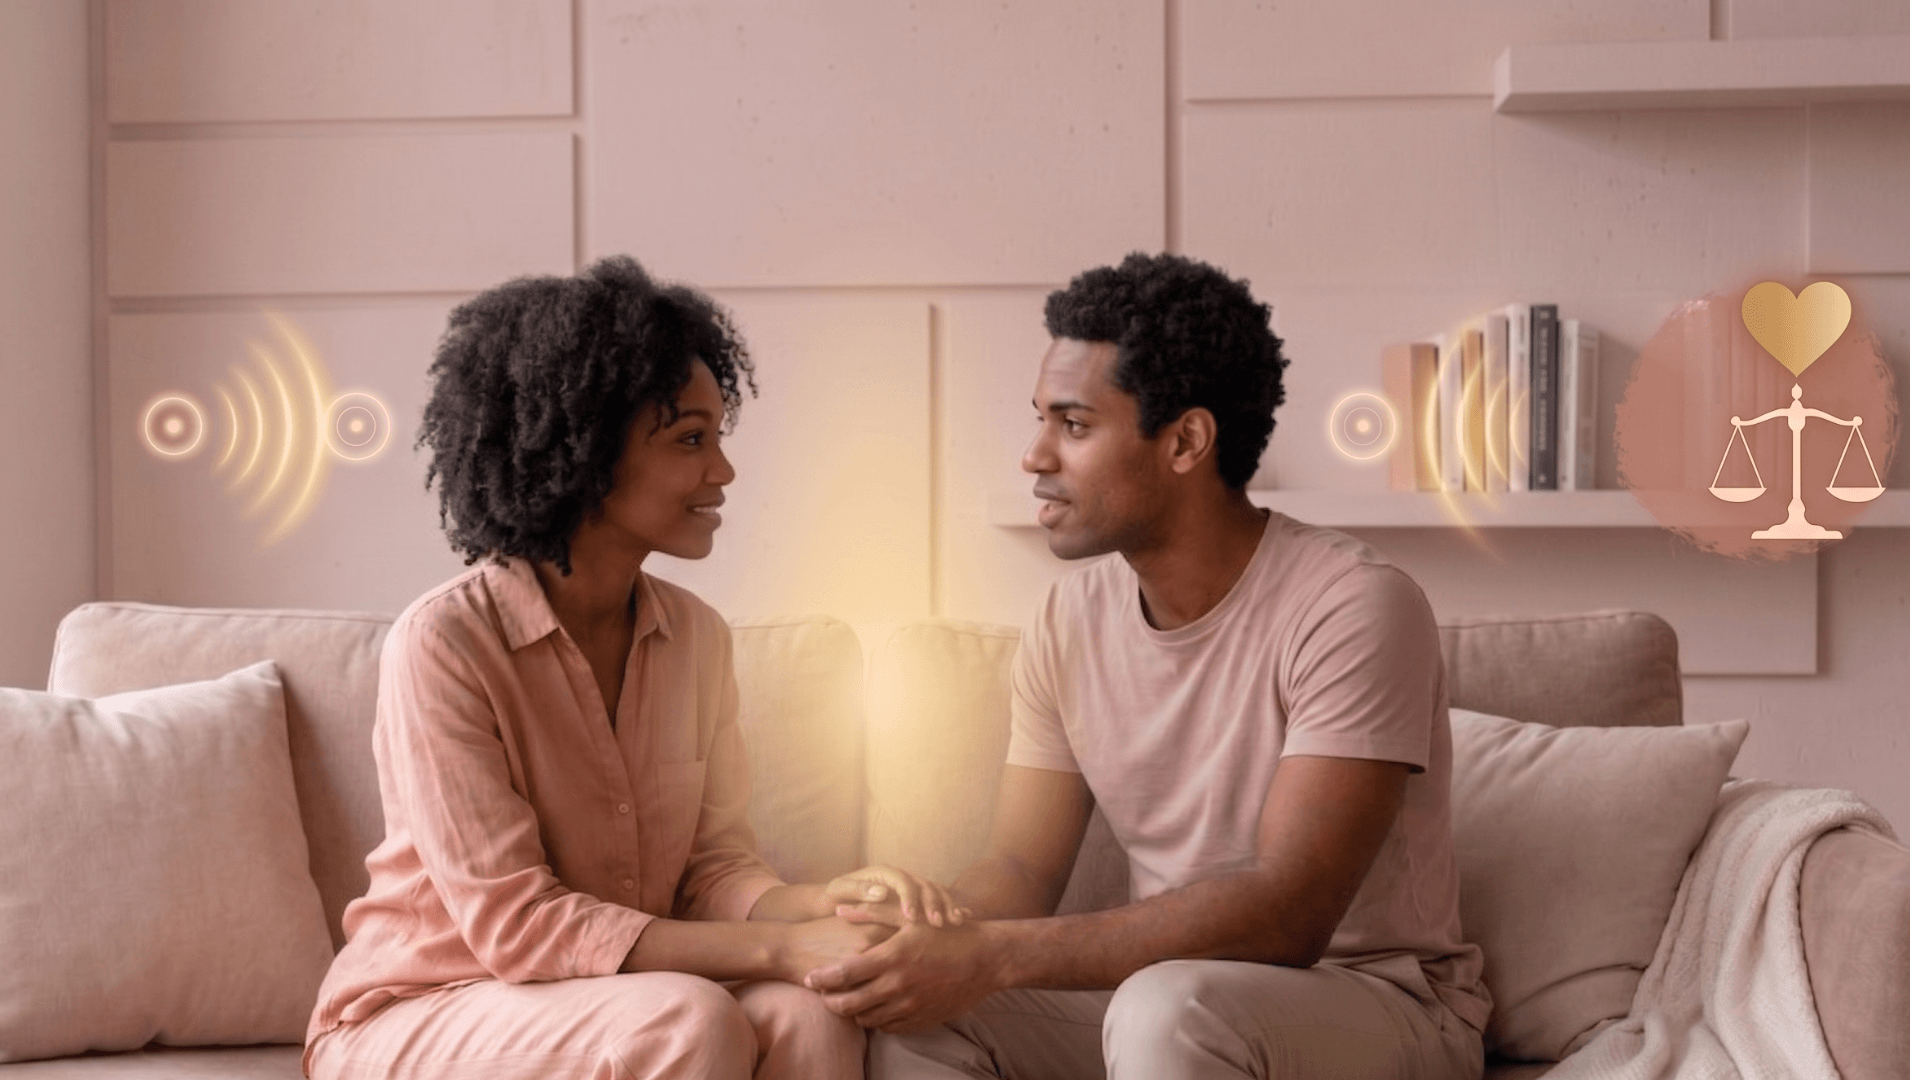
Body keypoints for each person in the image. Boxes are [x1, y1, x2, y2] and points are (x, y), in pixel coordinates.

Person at [806, 252, 1493, 1079]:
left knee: (1167, 1009)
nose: (1033, 457)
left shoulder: (1354, 605)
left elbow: (1289, 912)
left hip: (1377, 1005)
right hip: (1169, 1006)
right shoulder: (1069, 619)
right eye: (1039, 420)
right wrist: (929, 935)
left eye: (1073, 425)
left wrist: (996, 956)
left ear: (1186, 442)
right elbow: (1021, 868)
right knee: (904, 1014)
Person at [303, 256, 962, 1080]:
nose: (721, 473)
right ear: (582, 450)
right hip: (418, 1011)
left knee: (809, 1008)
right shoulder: (445, 644)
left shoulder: (697, 638)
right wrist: (782, 945)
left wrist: (827, 906)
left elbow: (710, 872)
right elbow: (517, 926)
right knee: (689, 1020)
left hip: (604, 998)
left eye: (717, 440)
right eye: (690, 441)